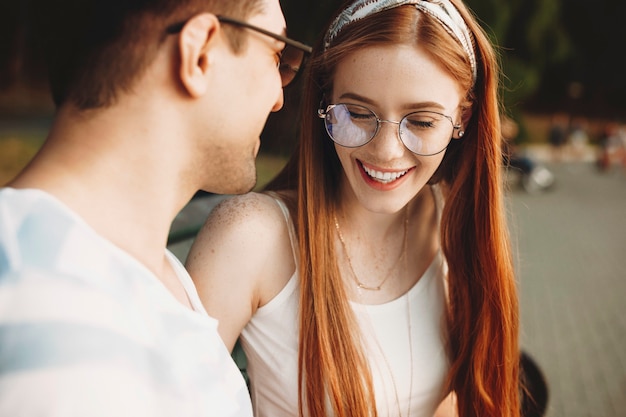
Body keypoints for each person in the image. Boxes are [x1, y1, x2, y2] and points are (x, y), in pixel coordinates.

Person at [186, 0, 520, 416]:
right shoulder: (252, 237)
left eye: (421, 122)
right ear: (324, 102)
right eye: (358, 113)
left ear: (463, 119)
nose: (385, 151)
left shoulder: (448, 219)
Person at [0, 0, 311, 415]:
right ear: (200, 54)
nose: (278, 97)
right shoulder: (45, 305)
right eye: (277, 53)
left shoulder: (156, 276)